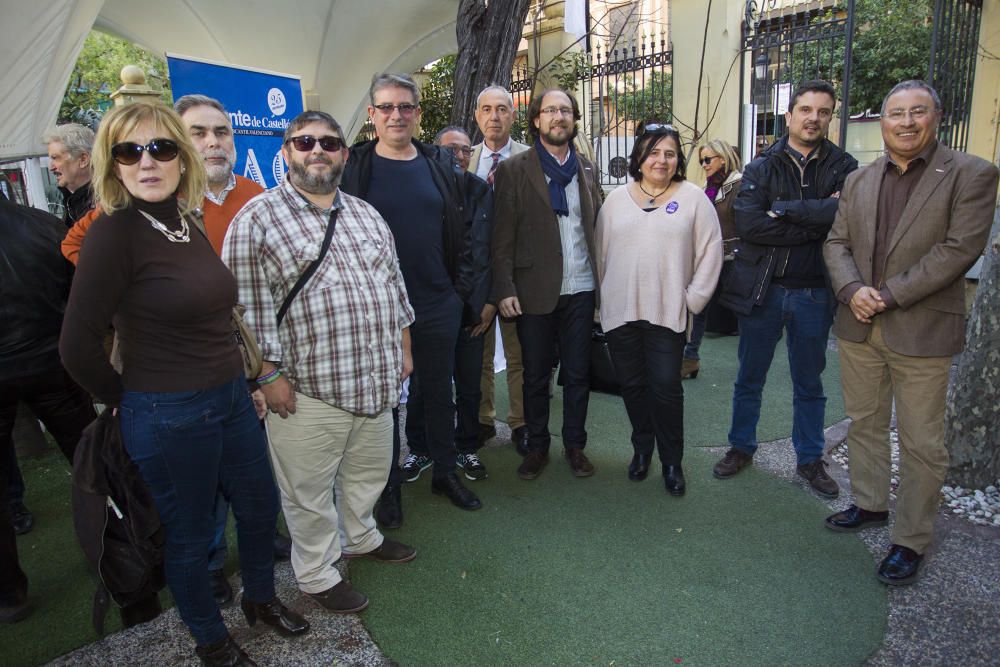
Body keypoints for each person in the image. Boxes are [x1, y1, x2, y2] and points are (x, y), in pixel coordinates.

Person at [60, 102, 307, 666]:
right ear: (112, 163)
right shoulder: (111, 235)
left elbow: (216, 316)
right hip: (168, 412)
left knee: (257, 505)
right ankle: (211, 640)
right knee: (193, 536)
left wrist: (244, 380)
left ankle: (261, 602)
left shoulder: (182, 220)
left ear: (180, 156)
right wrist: (131, 399)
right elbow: (76, 348)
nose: (147, 162)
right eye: (129, 150)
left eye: (160, 148)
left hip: (228, 398)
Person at [224, 110, 418, 616]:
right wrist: (268, 376)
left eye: (329, 143)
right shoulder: (257, 218)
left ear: (344, 154)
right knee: (307, 492)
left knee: (368, 473)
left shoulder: (365, 213)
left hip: (374, 382)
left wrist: (404, 348)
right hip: (305, 390)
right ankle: (316, 572)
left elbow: (395, 287)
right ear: (287, 151)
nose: (318, 151)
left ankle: (361, 536)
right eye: (305, 141)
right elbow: (242, 311)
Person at [823, 80, 999, 585]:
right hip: (858, 324)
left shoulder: (972, 174)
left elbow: (958, 250)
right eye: (895, 114)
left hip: (920, 329)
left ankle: (911, 539)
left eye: (916, 112)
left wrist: (888, 295)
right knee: (865, 423)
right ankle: (872, 504)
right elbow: (837, 242)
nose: (905, 122)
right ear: (881, 121)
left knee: (922, 442)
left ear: (936, 117)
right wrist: (853, 288)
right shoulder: (860, 179)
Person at [341, 72, 491, 520]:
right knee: (385, 401)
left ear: (418, 114)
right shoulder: (355, 168)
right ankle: (387, 487)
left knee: (439, 392)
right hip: (378, 309)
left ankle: (445, 473)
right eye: (386, 107)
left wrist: (458, 291)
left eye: (405, 106)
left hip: (435, 302)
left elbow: (467, 227)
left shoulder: (438, 165)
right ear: (372, 115)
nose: (396, 115)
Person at [714, 80, 858, 498]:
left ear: (831, 117)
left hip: (814, 292)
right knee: (749, 376)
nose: (814, 118)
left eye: (824, 111)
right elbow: (751, 226)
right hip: (765, 290)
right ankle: (741, 447)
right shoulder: (762, 166)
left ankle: (810, 458)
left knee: (809, 382)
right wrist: (815, 221)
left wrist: (787, 211)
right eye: (806, 110)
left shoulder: (843, 167)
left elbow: (843, 217)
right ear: (790, 115)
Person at [596, 124, 721, 494]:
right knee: (632, 386)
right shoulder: (615, 200)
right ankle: (641, 449)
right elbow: (601, 256)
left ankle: (671, 461)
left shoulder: (694, 198)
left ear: (678, 159)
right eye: (653, 152)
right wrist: (600, 307)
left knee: (666, 387)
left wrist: (693, 299)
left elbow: (711, 253)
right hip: (621, 313)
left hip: (668, 312)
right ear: (639, 157)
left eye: (669, 153)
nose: (661, 160)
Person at [492, 88, 604, 481]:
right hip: (533, 290)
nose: (559, 116)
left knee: (577, 374)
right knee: (536, 374)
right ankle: (537, 446)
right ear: (537, 119)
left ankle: (575, 445)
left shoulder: (587, 169)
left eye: (566, 110)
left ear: (574, 120)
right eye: (551, 110)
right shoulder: (514, 169)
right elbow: (501, 236)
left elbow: (597, 229)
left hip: (582, 288)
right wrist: (504, 287)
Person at [1, 196, 97, 624]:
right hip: (53, 364)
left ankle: (8, 594)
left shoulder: (43, 225)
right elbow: (77, 292)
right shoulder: (41, 225)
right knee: (92, 462)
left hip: (49, 362)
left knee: (92, 460)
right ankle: (119, 554)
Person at [429, 126, 495, 480]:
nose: (459, 156)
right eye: (450, 149)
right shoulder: (424, 193)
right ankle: (424, 448)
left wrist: (490, 302)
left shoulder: (481, 190)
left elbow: (490, 250)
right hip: (435, 309)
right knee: (431, 384)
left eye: (466, 150)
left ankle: (468, 447)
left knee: (470, 383)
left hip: (474, 310)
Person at [470, 85, 531, 455]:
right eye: (487, 109)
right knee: (478, 352)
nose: (494, 116)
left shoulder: (530, 158)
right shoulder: (464, 157)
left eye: (502, 109)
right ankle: (481, 420)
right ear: (477, 115)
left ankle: (521, 424)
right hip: (476, 277)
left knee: (519, 354)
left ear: (513, 115)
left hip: (517, 276)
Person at [681, 139, 742, 379]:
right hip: (708, 258)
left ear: (723, 159)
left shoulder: (740, 186)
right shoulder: (708, 188)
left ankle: (749, 365)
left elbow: (743, 225)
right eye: (701, 160)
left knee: (744, 314)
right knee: (698, 309)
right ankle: (690, 359)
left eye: (708, 159)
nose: (704, 164)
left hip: (733, 261)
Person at [44, 123, 95, 227]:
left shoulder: (106, 203)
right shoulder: (73, 201)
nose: (51, 167)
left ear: (83, 159)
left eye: (56, 158)